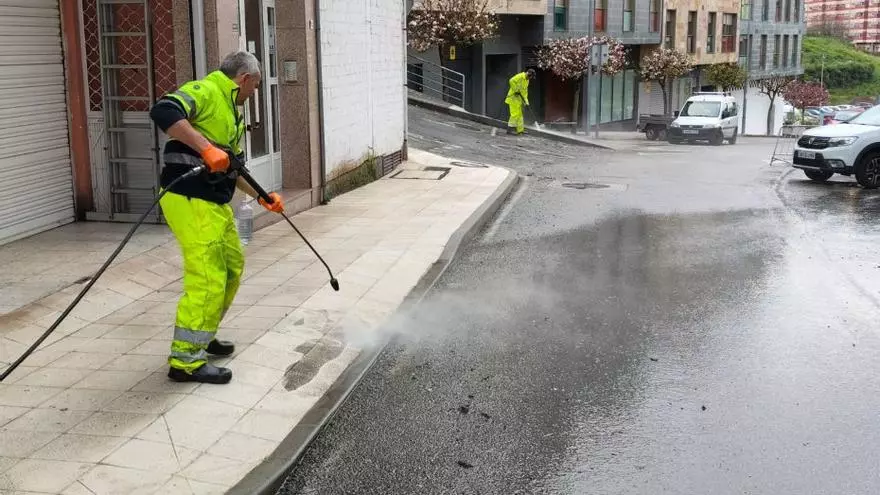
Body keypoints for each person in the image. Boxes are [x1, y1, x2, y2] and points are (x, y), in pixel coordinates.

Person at [149, 51, 284, 384]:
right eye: (255, 86)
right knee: (208, 276)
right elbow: (163, 110)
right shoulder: (207, 91)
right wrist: (205, 148)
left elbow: (233, 167)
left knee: (232, 267)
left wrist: (263, 196)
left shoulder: (231, 111)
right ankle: (185, 361)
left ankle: (203, 333)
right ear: (244, 79)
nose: (254, 92)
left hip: (214, 201)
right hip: (189, 197)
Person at [505, 69, 535, 135]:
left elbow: (525, 93)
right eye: (531, 77)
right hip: (512, 99)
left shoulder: (527, 81)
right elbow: (511, 80)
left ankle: (520, 130)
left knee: (520, 116)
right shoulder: (520, 76)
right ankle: (509, 130)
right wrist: (516, 90)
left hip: (518, 100)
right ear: (528, 74)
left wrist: (526, 103)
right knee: (514, 115)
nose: (530, 78)